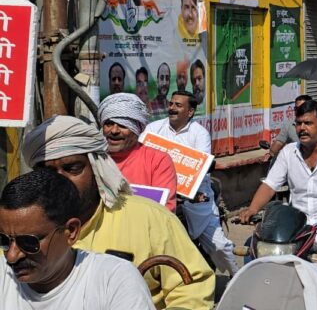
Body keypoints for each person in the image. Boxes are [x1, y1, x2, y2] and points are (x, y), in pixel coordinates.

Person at [21, 115, 215, 309]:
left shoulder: (149, 218)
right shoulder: (18, 229)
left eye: (72, 168)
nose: (61, 181)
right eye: (49, 173)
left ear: (95, 168)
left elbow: (192, 288)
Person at [0, 168, 155, 309]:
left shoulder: (113, 280)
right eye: (4, 241)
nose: (12, 256)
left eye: (28, 242)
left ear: (71, 231)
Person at [144, 90, 239, 277]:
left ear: (190, 112)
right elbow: (142, 156)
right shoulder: (153, 129)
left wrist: (191, 190)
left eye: (178, 105)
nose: (172, 108)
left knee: (220, 246)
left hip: (196, 197)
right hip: (161, 197)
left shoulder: (200, 133)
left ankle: (237, 279)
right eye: (171, 104)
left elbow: (200, 167)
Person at [238, 100, 317, 248]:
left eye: (308, 123)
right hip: (295, 233)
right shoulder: (288, 152)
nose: (302, 128)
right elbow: (270, 185)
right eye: (299, 124)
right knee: (254, 251)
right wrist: (253, 209)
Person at [98, 93, 177, 212]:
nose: (114, 131)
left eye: (123, 125)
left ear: (137, 129)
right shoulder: (93, 158)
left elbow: (165, 212)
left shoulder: (158, 160)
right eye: (109, 124)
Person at [259, 94, 312, 163]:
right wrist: (270, 154)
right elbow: (279, 143)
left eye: (301, 108)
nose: (298, 111)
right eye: (296, 108)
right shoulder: (289, 126)